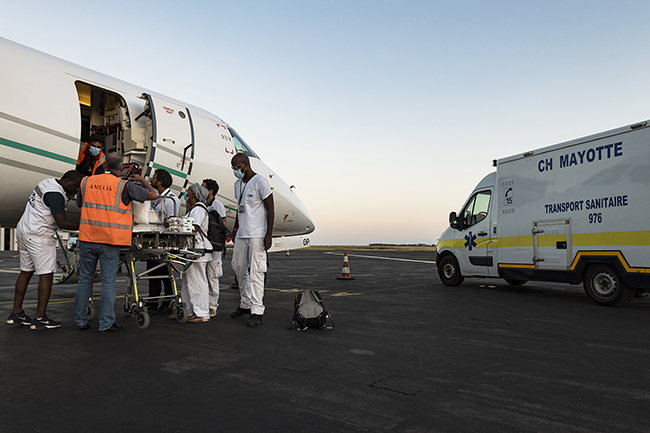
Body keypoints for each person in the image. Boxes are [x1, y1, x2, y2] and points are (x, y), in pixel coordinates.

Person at [74, 152, 158, 333]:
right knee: (108, 282)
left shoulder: (86, 182)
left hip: (87, 238)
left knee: (84, 281)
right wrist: (141, 180)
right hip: (109, 241)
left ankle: (81, 320)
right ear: (121, 169)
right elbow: (153, 195)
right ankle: (105, 323)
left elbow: (80, 204)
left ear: (104, 165)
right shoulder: (124, 185)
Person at [6, 170, 83, 330]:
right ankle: (40, 317)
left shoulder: (47, 183)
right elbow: (62, 223)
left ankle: (16, 313)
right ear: (68, 181)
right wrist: (86, 226)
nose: (76, 191)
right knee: (46, 275)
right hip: (39, 236)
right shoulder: (56, 195)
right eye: (75, 187)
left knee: (25, 271)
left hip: (24, 230)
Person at [230, 153, 274, 327]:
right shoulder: (237, 184)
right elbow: (239, 208)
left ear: (245, 165)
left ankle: (257, 310)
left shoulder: (260, 182)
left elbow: (270, 209)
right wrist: (235, 229)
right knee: (239, 269)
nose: (235, 171)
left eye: (237, 167)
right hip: (242, 233)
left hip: (257, 234)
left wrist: (268, 234)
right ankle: (245, 304)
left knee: (256, 272)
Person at [174, 183, 212, 323]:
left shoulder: (199, 210)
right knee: (187, 283)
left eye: (189, 192)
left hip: (198, 250)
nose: (187, 194)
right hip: (192, 250)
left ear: (195, 195)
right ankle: (188, 311)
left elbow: (194, 228)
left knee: (197, 282)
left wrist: (175, 225)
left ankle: (202, 313)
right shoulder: (194, 209)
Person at [146, 169, 181, 314]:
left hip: (165, 241)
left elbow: (171, 222)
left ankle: (167, 302)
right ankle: (152, 302)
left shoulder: (171, 199)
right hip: (154, 239)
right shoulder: (158, 197)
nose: (151, 181)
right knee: (152, 273)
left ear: (160, 182)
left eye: (154, 179)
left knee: (165, 274)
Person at [202, 178, 227, 317]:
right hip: (204, 246)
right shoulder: (201, 204)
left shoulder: (218, 205)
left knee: (212, 277)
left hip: (214, 247)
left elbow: (222, 225)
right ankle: (203, 304)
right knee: (202, 277)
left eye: (203, 187)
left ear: (210, 191)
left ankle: (212, 306)